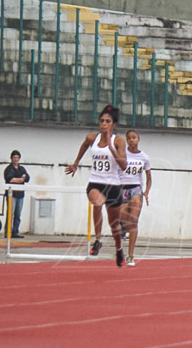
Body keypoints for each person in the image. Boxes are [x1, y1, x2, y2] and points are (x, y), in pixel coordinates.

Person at [64, 105, 128, 267]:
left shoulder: (118, 141)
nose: (104, 124)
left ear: (113, 124)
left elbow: (123, 166)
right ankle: (98, 240)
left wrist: (112, 150)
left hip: (113, 185)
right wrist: (76, 163)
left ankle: (119, 249)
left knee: (115, 227)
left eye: (107, 121)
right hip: (95, 183)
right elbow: (84, 145)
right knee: (97, 202)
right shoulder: (92, 138)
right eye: (101, 121)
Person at [119, 129, 151, 267]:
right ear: (126, 140)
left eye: (134, 137)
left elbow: (149, 177)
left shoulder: (144, 157)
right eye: (129, 138)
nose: (131, 140)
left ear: (138, 139)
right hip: (121, 189)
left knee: (133, 220)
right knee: (123, 219)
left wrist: (146, 192)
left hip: (136, 189)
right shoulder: (121, 154)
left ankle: (130, 255)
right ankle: (123, 228)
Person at [3, 150, 30, 238]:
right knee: (10, 214)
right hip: (12, 195)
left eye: (17, 158)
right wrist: (20, 179)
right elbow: (10, 179)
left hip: (20, 195)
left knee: (18, 214)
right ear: (11, 158)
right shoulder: (8, 169)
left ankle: (15, 231)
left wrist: (19, 179)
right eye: (14, 157)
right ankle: (8, 232)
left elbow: (27, 178)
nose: (16, 159)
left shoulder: (22, 168)